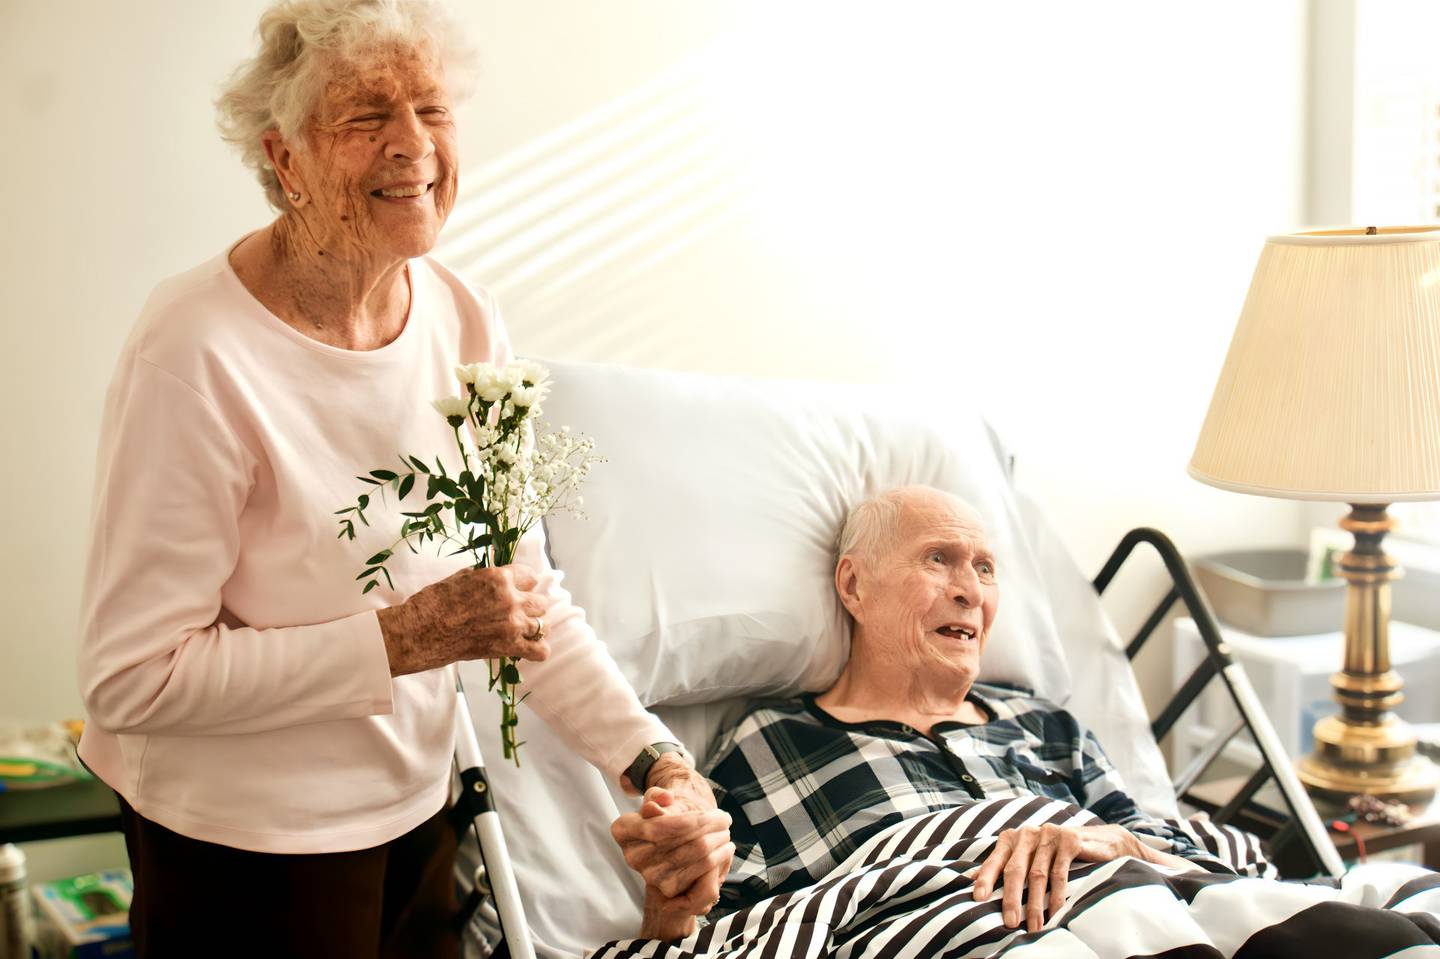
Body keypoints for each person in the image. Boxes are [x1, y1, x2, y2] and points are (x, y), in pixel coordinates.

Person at [75, 2, 729, 955]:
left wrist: (651, 758)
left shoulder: (465, 318)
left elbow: (520, 597)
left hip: (418, 811)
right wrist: (399, 638)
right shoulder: (194, 351)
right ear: (286, 159)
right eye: (364, 117)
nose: (412, 145)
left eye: (432, 109)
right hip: (242, 842)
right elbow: (131, 677)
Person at [624, 485, 1231, 941]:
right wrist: (671, 893)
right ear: (854, 586)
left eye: (986, 568)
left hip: (1145, 921)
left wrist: (1104, 840)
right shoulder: (773, 741)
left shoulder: (1048, 725)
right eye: (938, 559)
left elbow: (1196, 868)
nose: (970, 590)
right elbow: (715, 934)